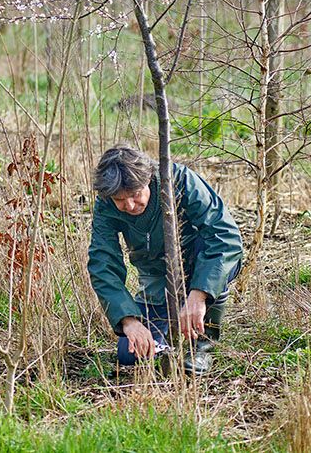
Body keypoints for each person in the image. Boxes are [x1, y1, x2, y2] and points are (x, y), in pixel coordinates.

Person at [87, 145, 243, 374]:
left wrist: (199, 295)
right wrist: (129, 321)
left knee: (211, 255)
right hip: (157, 281)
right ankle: (168, 346)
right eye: (120, 200)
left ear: (148, 180)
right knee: (129, 353)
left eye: (135, 195)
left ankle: (202, 345)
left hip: (196, 268)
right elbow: (103, 264)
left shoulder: (178, 181)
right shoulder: (106, 205)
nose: (129, 206)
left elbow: (225, 238)